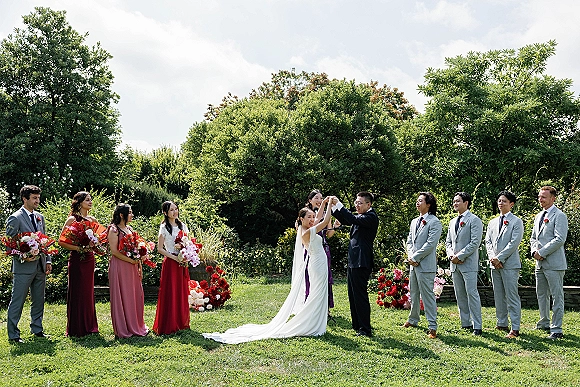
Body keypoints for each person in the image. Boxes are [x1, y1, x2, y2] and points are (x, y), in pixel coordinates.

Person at [203, 197, 334, 343]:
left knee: (319, 293)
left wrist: (323, 204)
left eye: (312, 216)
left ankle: (315, 321)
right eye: (309, 217)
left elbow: (319, 218)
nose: (312, 218)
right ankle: (312, 323)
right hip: (317, 264)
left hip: (319, 263)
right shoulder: (305, 232)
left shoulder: (308, 228)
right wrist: (329, 205)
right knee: (318, 292)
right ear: (301, 219)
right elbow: (325, 219)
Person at [5, 185, 52, 343]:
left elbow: (44, 240)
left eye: (38, 197)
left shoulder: (40, 217)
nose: (37, 200)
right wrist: (23, 257)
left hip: (40, 266)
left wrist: (48, 260)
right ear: (25, 199)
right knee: (17, 301)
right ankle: (13, 335)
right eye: (34, 198)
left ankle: (37, 329)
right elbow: (9, 245)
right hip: (23, 268)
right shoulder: (15, 218)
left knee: (39, 299)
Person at [331, 191, 379, 337]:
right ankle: (357, 325)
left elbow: (351, 218)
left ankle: (365, 329)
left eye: (359, 203)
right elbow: (346, 220)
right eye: (355, 203)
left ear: (368, 204)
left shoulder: (371, 217)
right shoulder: (361, 217)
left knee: (360, 295)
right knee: (352, 294)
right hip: (353, 260)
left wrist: (338, 203)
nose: (356, 205)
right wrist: (332, 208)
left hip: (362, 261)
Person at [58, 191, 102, 337]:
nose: (90, 202)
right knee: (77, 292)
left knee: (88, 291)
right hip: (77, 259)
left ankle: (90, 326)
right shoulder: (72, 219)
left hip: (89, 258)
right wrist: (79, 248)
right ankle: (76, 328)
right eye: (87, 200)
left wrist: (97, 245)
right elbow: (61, 241)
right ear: (79, 202)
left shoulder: (92, 219)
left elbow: (100, 238)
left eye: (91, 200)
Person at [531, 186, 568, 340]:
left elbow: (559, 239)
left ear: (553, 198)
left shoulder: (559, 216)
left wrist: (542, 252)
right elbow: (533, 237)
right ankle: (544, 322)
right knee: (541, 294)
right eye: (540, 197)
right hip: (539, 263)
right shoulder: (539, 216)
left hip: (554, 263)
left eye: (544, 197)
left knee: (556, 296)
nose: (541, 199)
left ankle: (557, 328)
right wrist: (534, 251)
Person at [485, 191, 523, 339]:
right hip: (494, 264)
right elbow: (488, 241)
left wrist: (500, 258)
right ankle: (501, 323)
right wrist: (492, 257)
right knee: (499, 294)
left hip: (510, 264)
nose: (501, 203)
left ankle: (515, 327)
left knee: (511, 295)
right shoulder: (492, 222)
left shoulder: (516, 221)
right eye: (499, 201)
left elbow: (514, 243)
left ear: (511, 204)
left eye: (504, 201)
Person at [107, 204, 149, 338]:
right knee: (122, 295)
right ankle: (123, 328)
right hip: (120, 266)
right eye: (129, 212)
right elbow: (114, 251)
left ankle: (136, 324)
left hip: (132, 266)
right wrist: (131, 261)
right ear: (121, 215)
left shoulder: (130, 229)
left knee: (135, 295)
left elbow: (135, 248)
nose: (132, 215)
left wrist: (139, 264)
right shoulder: (114, 230)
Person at [404, 192, 442, 339]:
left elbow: (431, 244)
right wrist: (410, 256)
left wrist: (416, 257)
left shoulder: (434, 222)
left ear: (429, 204)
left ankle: (432, 326)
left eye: (421, 201)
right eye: (417, 200)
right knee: (413, 293)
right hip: (413, 264)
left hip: (426, 265)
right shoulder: (414, 221)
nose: (417, 203)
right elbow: (409, 241)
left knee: (427, 296)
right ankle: (413, 319)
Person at [445, 192, 483, 335]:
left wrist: (460, 256)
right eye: (454, 201)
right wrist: (450, 255)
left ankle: (477, 325)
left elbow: (475, 242)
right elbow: (448, 242)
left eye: (458, 201)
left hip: (468, 263)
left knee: (472, 293)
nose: (455, 204)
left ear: (466, 203)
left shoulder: (474, 220)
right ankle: (465, 322)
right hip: (454, 264)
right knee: (460, 294)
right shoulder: (452, 221)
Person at [152, 201, 190, 335]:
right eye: (172, 210)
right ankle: (169, 323)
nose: (175, 212)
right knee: (170, 292)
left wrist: (186, 256)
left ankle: (181, 322)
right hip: (171, 262)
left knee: (181, 291)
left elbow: (188, 243)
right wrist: (174, 258)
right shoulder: (164, 227)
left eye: (176, 209)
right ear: (165, 212)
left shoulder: (183, 226)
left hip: (182, 262)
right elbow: (160, 249)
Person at [306, 190, 340, 317]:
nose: (319, 200)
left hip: (324, 249)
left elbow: (329, 234)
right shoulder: (306, 214)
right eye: (316, 198)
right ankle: (311, 306)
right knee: (311, 278)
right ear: (310, 200)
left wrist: (335, 227)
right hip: (312, 249)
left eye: (321, 198)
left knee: (326, 279)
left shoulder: (326, 214)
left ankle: (325, 308)